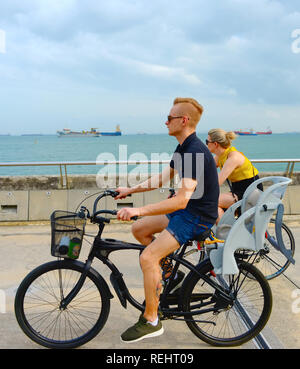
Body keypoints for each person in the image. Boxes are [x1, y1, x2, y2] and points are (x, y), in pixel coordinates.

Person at [115, 97, 219, 343]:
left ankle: (152, 320)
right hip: (187, 212)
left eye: (170, 118)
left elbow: (181, 200)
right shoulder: (184, 147)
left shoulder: (194, 151)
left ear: (183, 121)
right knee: (140, 230)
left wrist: (138, 210)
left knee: (148, 256)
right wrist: (130, 191)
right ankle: (170, 275)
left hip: (196, 216)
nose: (165, 121)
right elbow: (161, 180)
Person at [206, 128, 263, 223]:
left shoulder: (233, 157)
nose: (206, 144)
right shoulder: (221, 155)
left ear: (215, 144)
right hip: (237, 190)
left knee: (211, 202)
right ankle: (226, 228)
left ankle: (226, 233)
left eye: (207, 141)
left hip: (250, 192)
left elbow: (216, 183)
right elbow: (205, 169)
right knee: (209, 201)